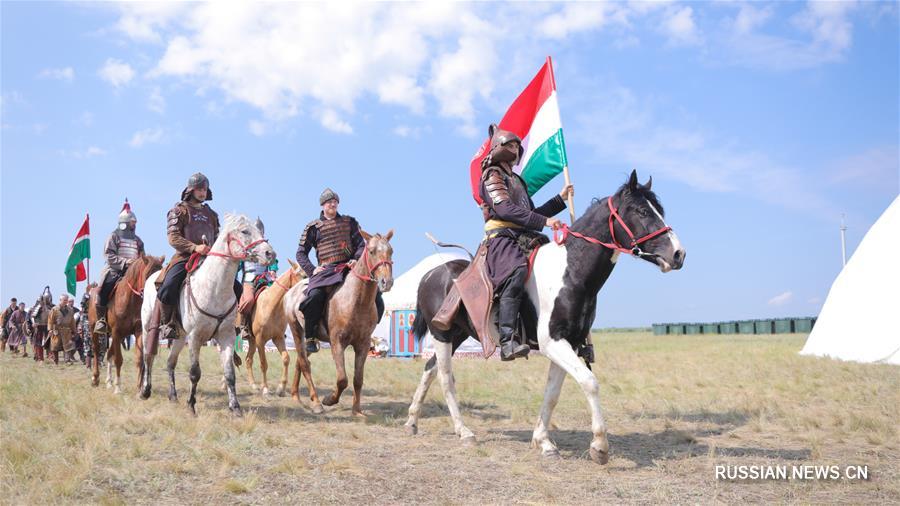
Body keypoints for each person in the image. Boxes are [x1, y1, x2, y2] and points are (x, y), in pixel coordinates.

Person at [477, 124, 573, 360]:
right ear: (499, 148)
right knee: (517, 269)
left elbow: (529, 213)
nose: (516, 149)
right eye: (510, 145)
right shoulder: (492, 175)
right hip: (501, 239)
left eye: (517, 145)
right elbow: (506, 209)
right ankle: (507, 340)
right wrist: (545, 221)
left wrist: (559, 200)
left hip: (524, 236)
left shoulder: (517, 180)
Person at [155, 172, 242, 340]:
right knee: (168, 286)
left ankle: (230, 323)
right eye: (199, 189)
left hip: (210, 260)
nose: (202, 192)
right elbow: (173, 238)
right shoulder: (178, 211)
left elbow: (217, 239)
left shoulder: (212, 215)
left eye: (205, 189)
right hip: (185, 258)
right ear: (191, 190)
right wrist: (194, 247)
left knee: (236, 288)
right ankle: (168, 323)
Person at [296, 188, 383, 354]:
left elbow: (360, 245)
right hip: (326, 271)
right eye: (329, 201)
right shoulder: (313, 227)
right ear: (322, 205)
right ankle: (311, 337)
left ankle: (366, 332)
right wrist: (312, 269)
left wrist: (356, 259)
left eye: (335, 201)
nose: (333, 203)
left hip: (349, 268)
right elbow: (300, 253)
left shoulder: (349, 222)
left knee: (376, 296)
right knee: (314, 297)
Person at [94, 199, 145, 334]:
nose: (135, 224)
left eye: (135, 222)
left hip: (133, 272)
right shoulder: (113, 237)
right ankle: (102, 320)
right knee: (103, 290)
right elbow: (109, 255)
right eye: (133, 222)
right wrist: (125, 262)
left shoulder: (138, 240)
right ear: (125, 223)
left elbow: (142, 257)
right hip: (114, 269)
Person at [235, 217, 278, 341]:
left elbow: (273, 261)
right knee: (248, 300)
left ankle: (278, 327)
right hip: (249, 280)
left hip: (266, 279)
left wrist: (273, 270)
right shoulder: (245, 248)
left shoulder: (267, 246)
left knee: (280, 297)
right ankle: (244, 326)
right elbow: (238, 265)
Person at [47, 294, 77, 365]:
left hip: (67, 331)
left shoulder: (70, 310)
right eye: (64, 300)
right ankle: (55, 361)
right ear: (60, 300)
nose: (65, 301)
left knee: (68, 346)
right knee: (55, 346)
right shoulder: (54, 309)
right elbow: (50, 320)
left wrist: (74, 330)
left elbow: (72, 321)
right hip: (57, 330)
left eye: (66, 300)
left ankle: (67, 361)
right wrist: (50, 329)